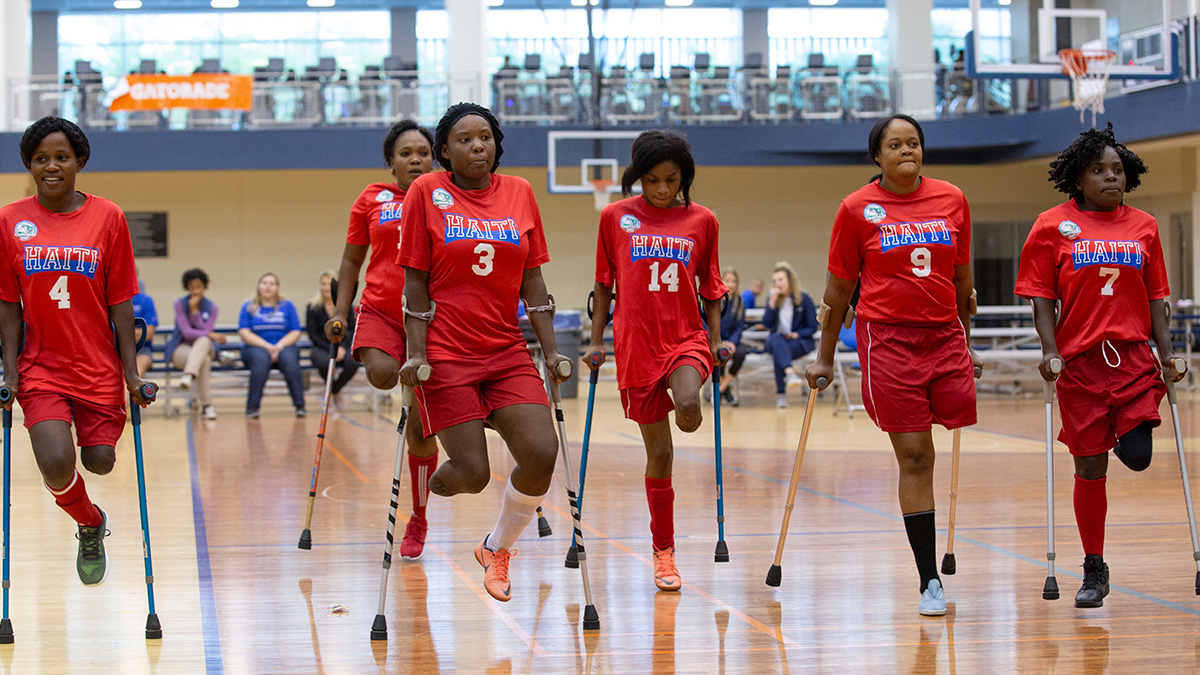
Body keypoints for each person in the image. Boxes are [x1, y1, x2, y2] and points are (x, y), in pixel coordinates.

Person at [806, 113, 980, 616]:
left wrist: (969, 343)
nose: (907, 151)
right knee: (916, 456)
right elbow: (839, 291)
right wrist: (824, 356)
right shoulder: (857, 209)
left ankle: (931, 572)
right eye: (896, 145)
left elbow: (963, 278)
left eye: (915, 143)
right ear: (877, 157)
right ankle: (929, 579)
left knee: (943, 437)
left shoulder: (953, 199)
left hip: (945, 337)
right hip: (888, 343)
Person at [397, 102, 570, 602]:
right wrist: (415, 352)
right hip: (446, 354)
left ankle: (497, 547)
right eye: (465, 139)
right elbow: (415, 280)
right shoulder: (426, 192)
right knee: (470, 475)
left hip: (505, 351)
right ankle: (428, 491)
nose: (478, 146)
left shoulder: (519, 192)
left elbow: (533, 279)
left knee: (541, 453)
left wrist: (552, 352)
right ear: (444, 151)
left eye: (486, 138)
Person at [1015, 123, 1182, 609]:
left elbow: (1156, 298)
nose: (1112, 178)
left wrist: (1167, 354)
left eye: (1118, 170)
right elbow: (1042, 298)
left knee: (1137, 455)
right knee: (1089, 465)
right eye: (1099, 170)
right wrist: (1050, 350)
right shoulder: (1051, 225)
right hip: (1080, 364)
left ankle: (1119, 432)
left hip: (1131, 358)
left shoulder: (1145, 226)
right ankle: (1094, 567)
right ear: (1078, 180)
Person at [0, 116, 154, 586]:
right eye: (41, 158)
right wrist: (9, 374)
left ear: (79, 161)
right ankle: (89, 522)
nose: (51, 166)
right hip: (42, 367)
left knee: (99, 462)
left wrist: (131, 373)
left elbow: (121, 300)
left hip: (98, 368)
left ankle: (92, 499)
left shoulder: (109, 217)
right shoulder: (9, 220)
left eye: (61, 157)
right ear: (29, 164)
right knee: (54, 461)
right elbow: (7, 304)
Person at [587, 129, 725, 592]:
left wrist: (718, 340)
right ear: (637, 178)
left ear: (683, 177)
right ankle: (663, 552)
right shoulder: (614, 217)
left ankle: (689, 397)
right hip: (636, 345)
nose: (662, 189)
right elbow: (603, 284)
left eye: (670, 179)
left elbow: (712, 287)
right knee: (660, 453)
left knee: (688, 408)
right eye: (651, 180)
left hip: (685, 337)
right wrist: (595, 341)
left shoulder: (703, 220)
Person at [326, 119, 441, 560]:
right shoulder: (372, 199)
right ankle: (408, 391)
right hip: (378, 311)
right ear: (391, 162)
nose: (415, 159)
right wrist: (339, 311)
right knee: (381, 373)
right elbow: (352, 260)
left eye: (423, 152)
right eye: (406, 153)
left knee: (420, 431)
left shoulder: (443, 198)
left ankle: (420, 517)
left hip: (429, 320)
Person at [238, 272, 306, 418]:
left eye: (272, 284)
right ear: (258, 286)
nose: (268, 287)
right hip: (256, 347)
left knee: (290, 360)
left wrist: (279, 346)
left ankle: (300, 405)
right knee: (260, 360)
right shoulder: (248, 307)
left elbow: (295, 331)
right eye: (264, 283)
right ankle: (253, 407)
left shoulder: (287, 306)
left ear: (277, 288)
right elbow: (244, 333)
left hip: (283, 345)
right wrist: (268, 347)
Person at [166, 267, 225, 420]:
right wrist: (211, 334)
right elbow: (186, 333)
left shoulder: (212, 307)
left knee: (204, 341)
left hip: (205, 347)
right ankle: (207, 406)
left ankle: (189, 375)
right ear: (187, 288)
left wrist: (195, 313)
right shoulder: (179, 304)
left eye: (199, 287)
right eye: (192, 287)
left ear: (205, 286)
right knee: (203, 360)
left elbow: (205, 331)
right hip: (182, 349)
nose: (196, 291)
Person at [762, 261, 818, 408]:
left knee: (778, 351)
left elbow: (812, 327)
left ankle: (781, 393)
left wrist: (796, 334)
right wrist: (772, 305)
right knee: (775, 340)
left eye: (780, 280)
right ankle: (790, 372)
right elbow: (767, 324)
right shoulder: (773, 298)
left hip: (797, 341)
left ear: (789, 280)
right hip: (777, 339)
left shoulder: (804, 299)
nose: (777, 283)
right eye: (775, 281)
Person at [306, 269, 358, 404]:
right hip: (322, 346)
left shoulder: (346, 306)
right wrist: (331, 348)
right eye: (323, 284)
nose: (326, 287)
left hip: (343, 345)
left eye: (329, 284)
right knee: (323, 363)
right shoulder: (312, 307)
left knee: (353, 362)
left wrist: (341, 348)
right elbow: (313, 335)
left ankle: (334, 390)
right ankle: (334, 391)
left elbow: (351, 330)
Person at [716, 267, 747, 406]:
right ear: (721, 281)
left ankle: (722, 388)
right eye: (727, 280)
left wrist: (732, 342)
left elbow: (739, 326)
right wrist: (719, 341)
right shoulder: (714, 300)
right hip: (716, 341)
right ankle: (726, 391)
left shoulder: (740, 302)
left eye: (733, 281)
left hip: (731, 341)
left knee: (741, 353)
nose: (730, 284)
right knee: (719, 355)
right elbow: (707, 324)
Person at [131, 274, 158, 377]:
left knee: (136, 373)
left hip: (142, 350)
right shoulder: (109, 298)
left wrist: (121, 335)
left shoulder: (145, 300)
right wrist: (136, 333)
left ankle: (129, 393)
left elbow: (148, 334)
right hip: (116, 351)